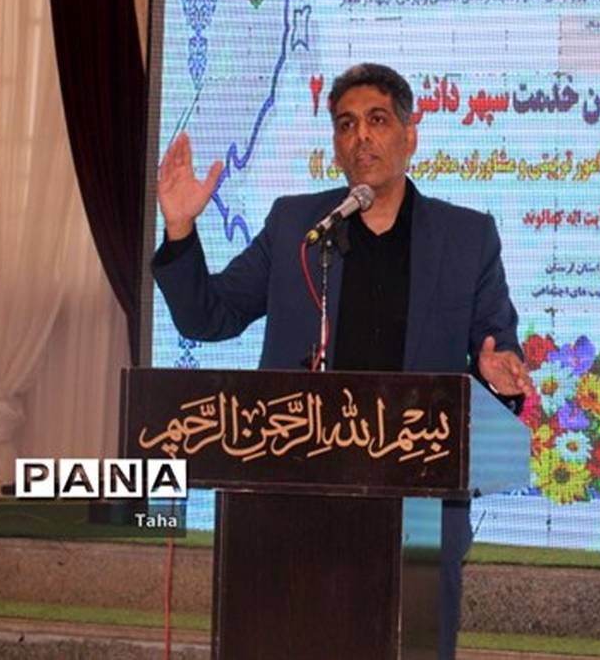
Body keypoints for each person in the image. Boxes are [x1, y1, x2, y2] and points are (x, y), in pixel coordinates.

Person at [152, 62, 535, 659]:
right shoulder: (297, 228)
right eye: (346, 124)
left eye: (377, 120)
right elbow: (210, 316)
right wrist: (179, 229)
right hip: (295, 498)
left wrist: (497, 375)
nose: (361, 136)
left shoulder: (467, 238)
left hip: (418, 505)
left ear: (410, 135)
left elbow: (498, 354)